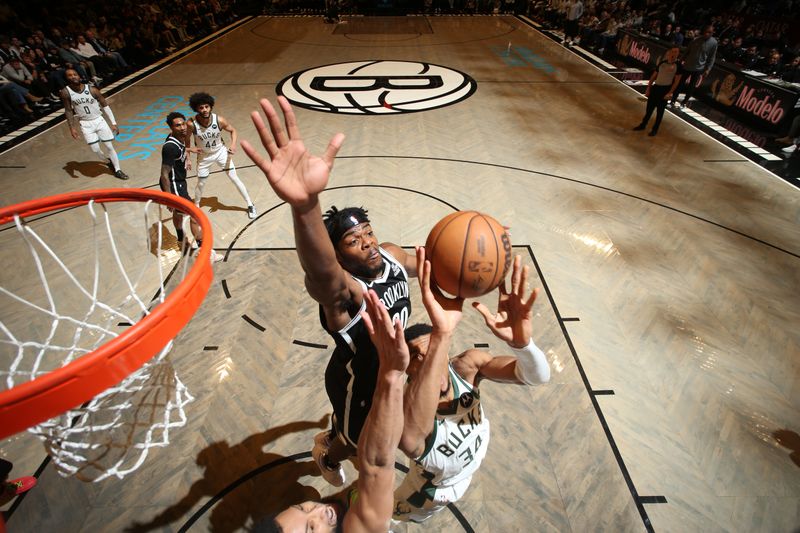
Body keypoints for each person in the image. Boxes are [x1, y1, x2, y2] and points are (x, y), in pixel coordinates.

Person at [241, 96, 418, 488]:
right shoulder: (346, 293)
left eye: (368, 232)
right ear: (339, 254)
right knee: (353, 443)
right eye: (355, 241)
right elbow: (321, 274)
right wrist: (305, 207)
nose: (368, 242)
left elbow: (431, 266)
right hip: (357, 380)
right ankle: (326, 449)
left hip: (392, 369)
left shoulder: (391, 255)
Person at [393, 252, 551, 522]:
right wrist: (442, 333)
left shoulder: (467, 367)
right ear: (407, 369)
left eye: (431, 351)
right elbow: (410, 441)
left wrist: (523, 345)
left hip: (465, 473)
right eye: (417, 357)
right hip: (428, 489)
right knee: (390, 516)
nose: (426, 358)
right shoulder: (407, 404)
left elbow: (537, 377)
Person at [254, 287, 411, 533]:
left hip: (353, 391)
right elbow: (378, 465)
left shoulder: (338, 514)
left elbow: (374, 469)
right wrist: (393, 374)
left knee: (353, 443)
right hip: (353, 390)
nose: (318, 511)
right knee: (353, 442)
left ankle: (328, 451)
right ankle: (327, 455)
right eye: (311, 529)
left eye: (302, 508)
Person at [160, 111, 222, 262]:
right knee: (195, 215)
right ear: (171, 127)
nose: (182, 128)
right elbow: (164, 174)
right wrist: (169, 198)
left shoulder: (177, 139)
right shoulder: (169, 147)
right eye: (177, 125)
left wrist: (189, 150)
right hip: (173, 185)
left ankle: (181, 237)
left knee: (178, 212)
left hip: (179, 182)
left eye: (183, 124)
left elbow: (179, 151)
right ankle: (205, 251)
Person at [186, 92, 257, 219]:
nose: (204, 110)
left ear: (210, 107)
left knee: (235, 178)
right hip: (204, 156)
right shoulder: (191, 124)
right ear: (196, 108)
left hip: (221, 153)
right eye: (201, 107)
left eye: (207, 106)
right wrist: (188, 153)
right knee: (201, 183)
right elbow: (186, 141)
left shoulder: (219, 120)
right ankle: (196, 207)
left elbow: (233, 130)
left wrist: (233, 144)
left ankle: (250, 204)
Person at [60, 68, 129, 180]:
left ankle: (118, 170)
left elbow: (105, 105)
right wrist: (72, 127)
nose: (73, 76)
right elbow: (68, 110)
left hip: (99, 120)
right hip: (85, 123)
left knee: (109, 146)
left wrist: (113, 122)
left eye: (75, 74)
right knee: (95, 149)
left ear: (79, 76)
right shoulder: (65, 92)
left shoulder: (92, 90)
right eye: (70, 75)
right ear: (66, 78)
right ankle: (107, 161)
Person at [634, 46, 683, 137]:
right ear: (669, 52)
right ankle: (643, 125)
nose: (674, 53)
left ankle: (655, 129)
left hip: (665, 90)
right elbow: (653, 76)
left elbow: (677, 81)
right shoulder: (662, 63)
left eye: (676, 52)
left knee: (660, 112)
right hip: (655, 88)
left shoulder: (678, 66)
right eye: (672, 51)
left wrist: (670, 92)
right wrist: (648, 88)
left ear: (678, 54)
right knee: (649, 109)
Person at [670, 25, 717, 109]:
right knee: (680, 84)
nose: (707, 33)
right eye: (706, 31)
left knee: (691, 87)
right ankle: (673, 100)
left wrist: (708, 69)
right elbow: (686, 51)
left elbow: (712, 57)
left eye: (709, 32)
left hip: (699, 69)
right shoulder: (696, 40)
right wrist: (680, 61)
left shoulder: (714, 43)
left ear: (712, 33)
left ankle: (684, 103)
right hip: (687, 66)